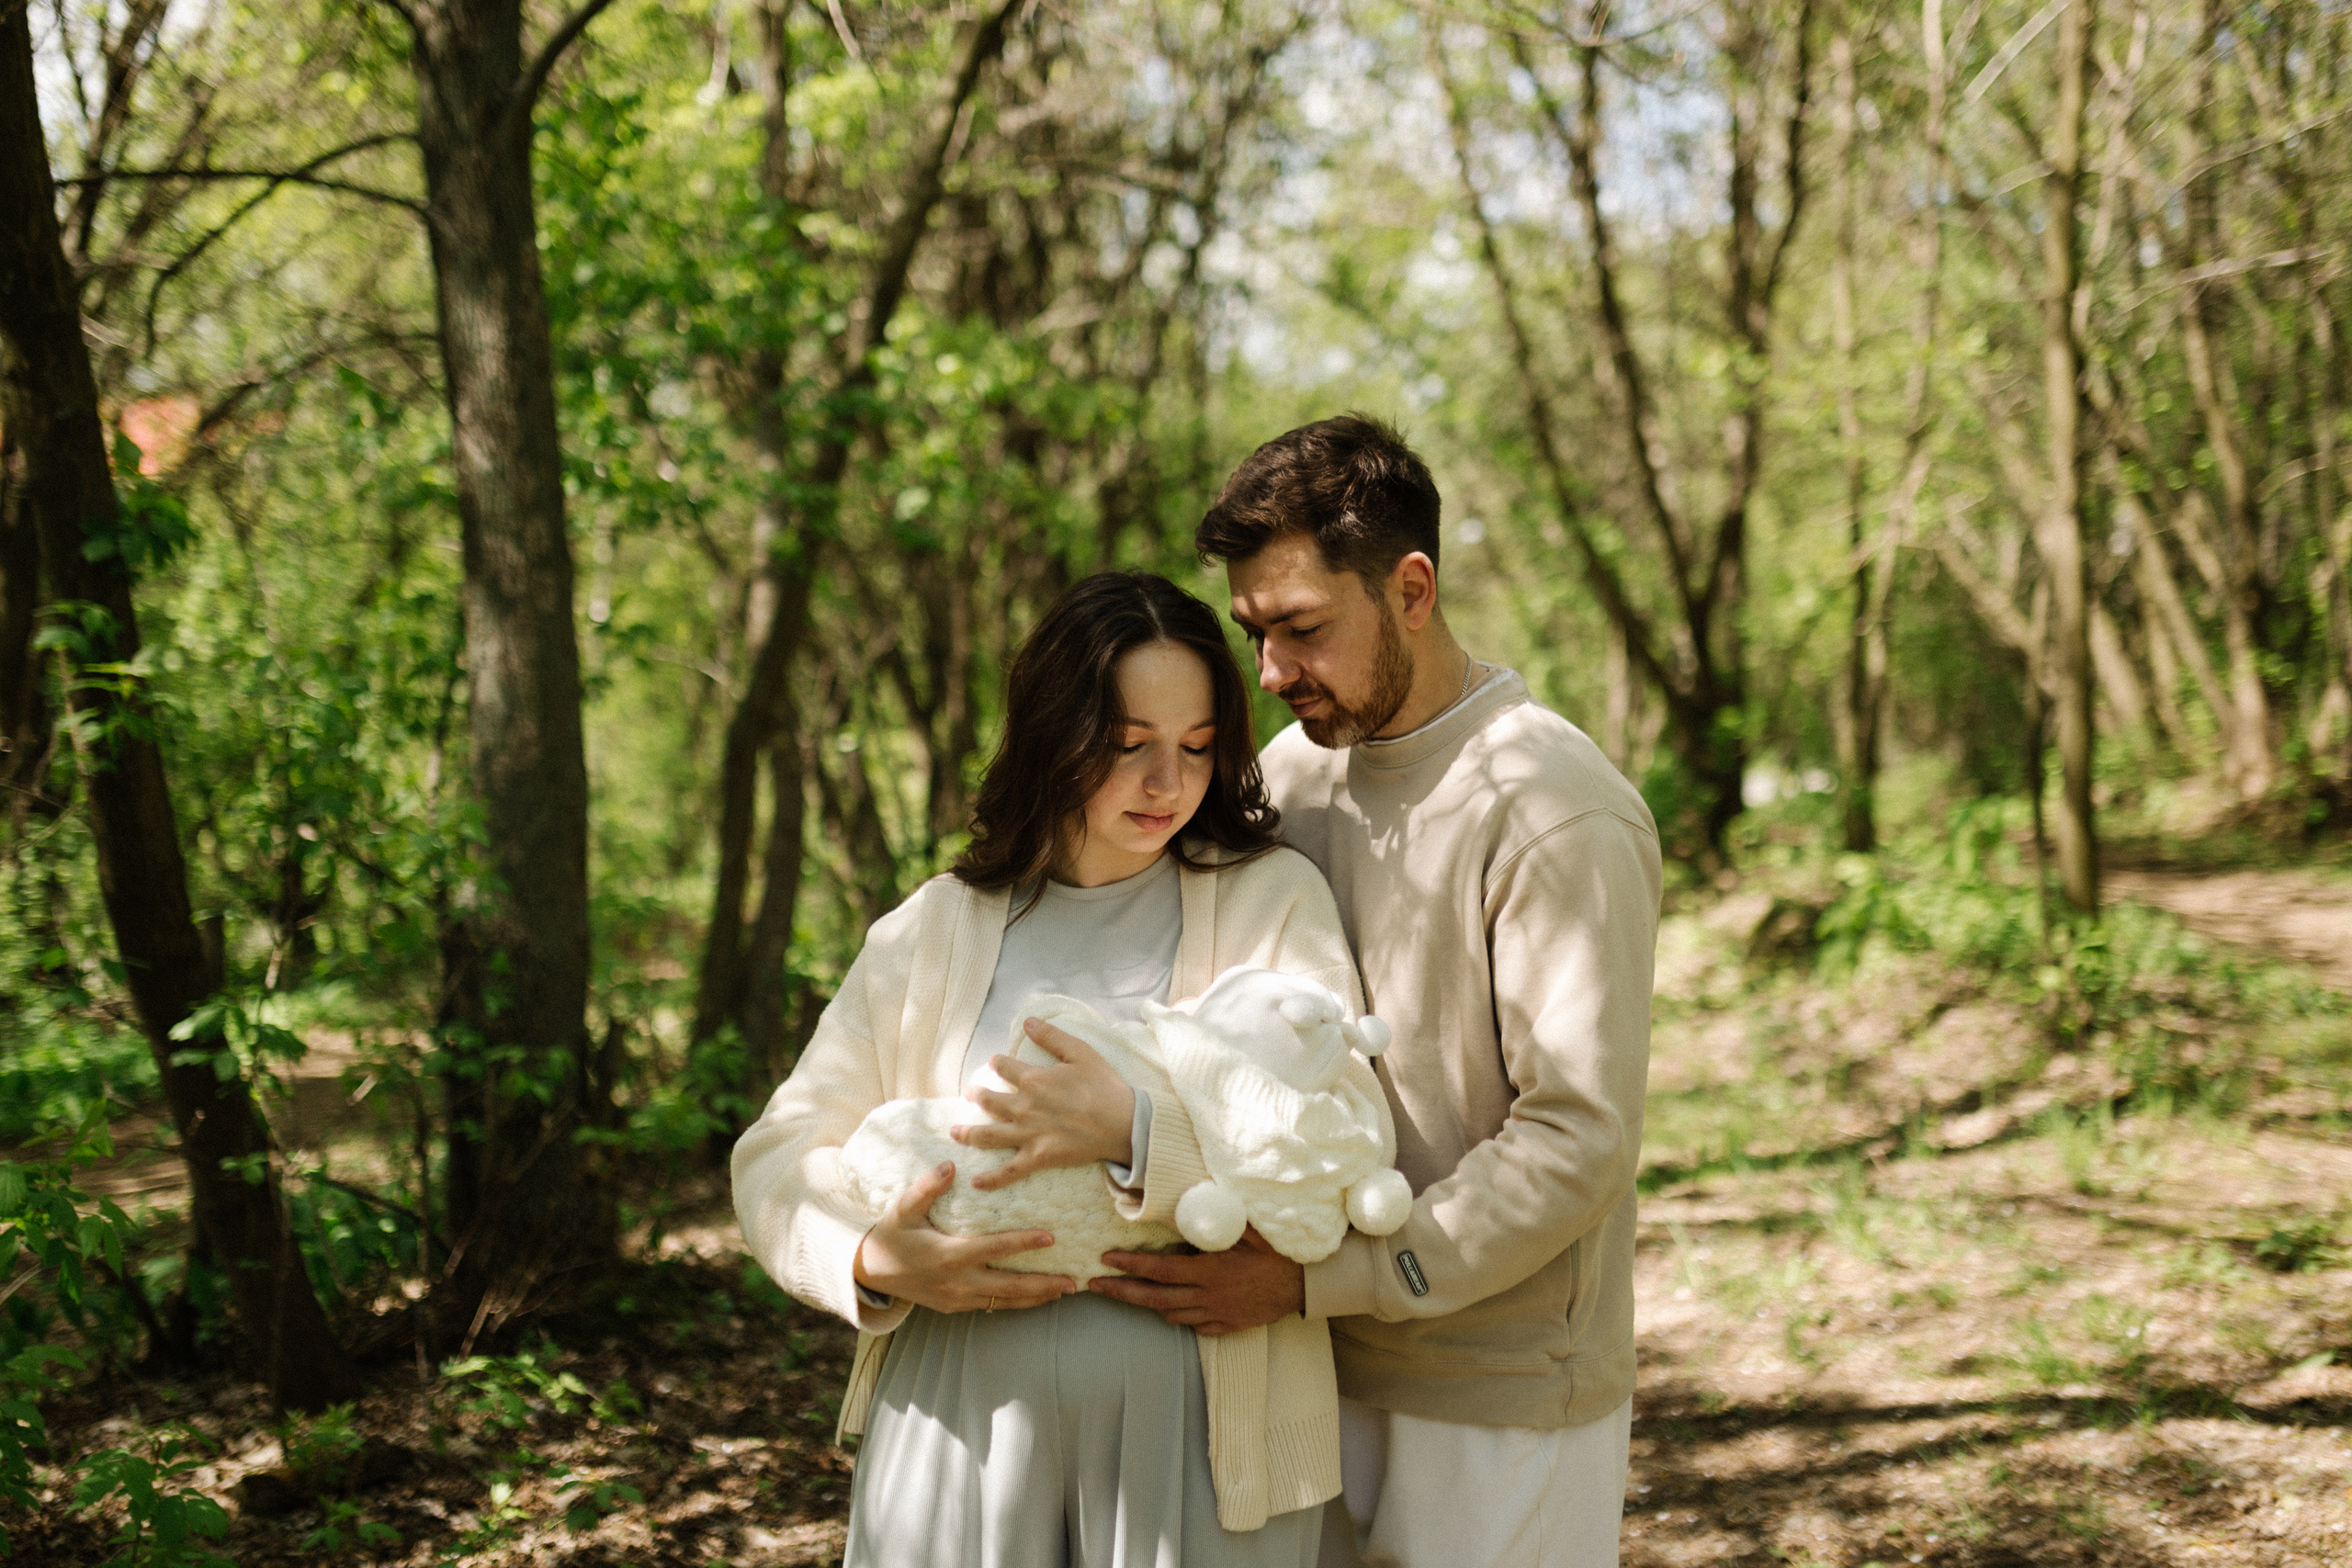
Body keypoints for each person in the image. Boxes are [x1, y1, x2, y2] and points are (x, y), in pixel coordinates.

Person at [1090, 417, 1662, 1568]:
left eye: (1302, 628)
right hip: (1295, 1363)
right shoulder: (1288, 778)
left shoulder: (1551, 804)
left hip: (1496, 1392)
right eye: (1256, 632)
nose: (1271, 674)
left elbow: (1577, 1138)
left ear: (1410, 589)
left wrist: (1320, 1279)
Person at [732, 570, 1387, 1567]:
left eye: (1197, 748)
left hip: (1209, 1447)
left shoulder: (1270, 902)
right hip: (957, 1429)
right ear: (1053, 735)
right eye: (1129, 748)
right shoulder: (933, 931)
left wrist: (1134, 1132)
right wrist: (870, 1259)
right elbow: (778, 1154)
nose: (1166, 784)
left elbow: (1341, 1138)